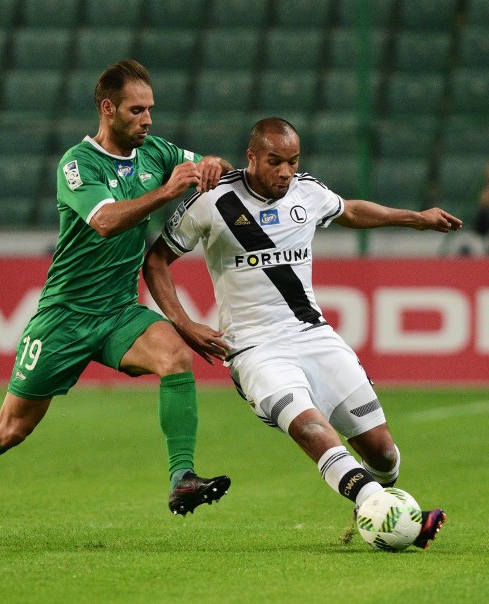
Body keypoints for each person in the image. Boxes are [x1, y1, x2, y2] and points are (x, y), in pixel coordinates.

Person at [0, 60, 234, 547]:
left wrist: (213, 164)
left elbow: (210, 165)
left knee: (175, 356)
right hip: (64, 317)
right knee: (10, 429)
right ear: (107, 109)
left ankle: (182, 477)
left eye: (151, 110)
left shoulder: (156, 151)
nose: (148, 120)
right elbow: (104, 221)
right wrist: (167, 190)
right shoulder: (78, 164)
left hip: (119, 311)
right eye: (137, 111)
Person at [143, 117, 460, 549]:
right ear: (252, 157)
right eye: (275, 161)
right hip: (254, 349)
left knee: (383, 452)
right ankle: (390, 513)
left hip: (315, 337)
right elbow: (156, 260)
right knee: (310, 428)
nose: (285, 172)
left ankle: (373, 500)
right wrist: (184, 323)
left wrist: (416, 219)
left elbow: (349, 210)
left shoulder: (307, 192)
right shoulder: (213, 199)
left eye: (292, 162)